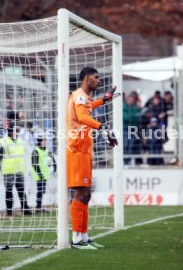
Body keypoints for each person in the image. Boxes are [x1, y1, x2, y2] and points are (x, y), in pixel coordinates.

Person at [66, 67, 118, 249]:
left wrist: (104, 99)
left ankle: (84, 236)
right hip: (76, 150)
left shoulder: (84, 98)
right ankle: (76, 239)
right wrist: (102, 127)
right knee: (80, 192)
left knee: (86, 194)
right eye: (96, 77)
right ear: (86, 78)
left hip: (84, 150)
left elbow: (88, 107)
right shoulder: (79, 95)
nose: (99, 80)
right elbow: (82, 116)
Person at [0, 122, 31, 216]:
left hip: (19, 170)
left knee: (21, 191)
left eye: (17, 131)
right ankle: (9, 211)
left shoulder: (21, 142)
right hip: (8, 172)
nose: (17, 133)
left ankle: (25, 209)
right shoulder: (3, 142)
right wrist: (1, 169)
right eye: (15, 131)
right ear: (10, 131)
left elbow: (25, 155)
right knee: (9, 192)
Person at [32, 132, 56, 213]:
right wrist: (39, 174)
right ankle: (38, 208)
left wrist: (55, 167)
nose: (45, 141)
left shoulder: (47, 150)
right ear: (40, 141)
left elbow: (53, 159)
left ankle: (39, 207)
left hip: (45, 175)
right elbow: (34, 164)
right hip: (39, 175)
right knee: (40, 191)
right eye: (43, 140)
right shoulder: (35, 151)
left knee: (42, 191)